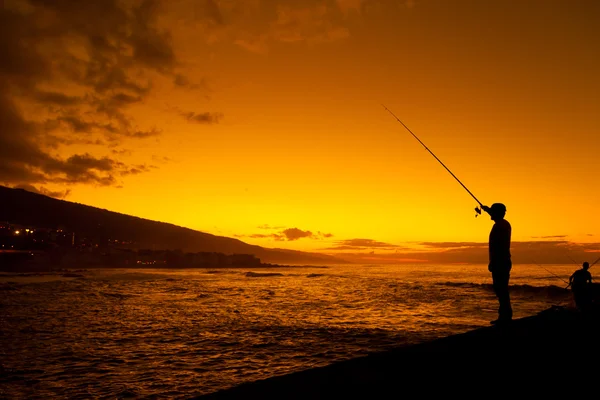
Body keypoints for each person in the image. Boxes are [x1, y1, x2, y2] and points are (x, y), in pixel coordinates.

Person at [482, 203, 512, 325]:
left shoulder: (500, 226)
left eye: (493, 211)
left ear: (497, 213)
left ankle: (505, 317)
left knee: (501, 289)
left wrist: (493, 262)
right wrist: (486, 210)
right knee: (501, 289)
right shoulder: (503, 224)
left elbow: (498, 247)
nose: (491, 214)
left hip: (500, 262)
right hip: (503, 261)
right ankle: (504, 316)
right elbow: (495, 215)